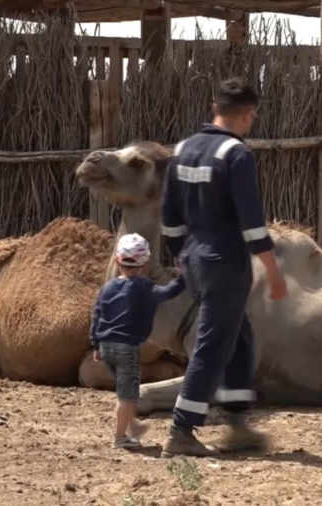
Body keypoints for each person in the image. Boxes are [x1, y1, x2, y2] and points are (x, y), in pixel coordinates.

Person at [159, 77, 287, 458]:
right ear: (248, 115)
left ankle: (237, 422)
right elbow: (252, 225)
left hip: (196, 260)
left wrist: (184, 256)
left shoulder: (182, 150)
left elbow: (169, 220)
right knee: (213, 345)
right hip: (227, 263)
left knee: (239, 336)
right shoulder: (236, 155)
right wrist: (274, 272)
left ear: (215, 108)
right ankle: (181, 430)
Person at [90, 233, 187, 449]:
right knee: (128, 396)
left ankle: (133, 426)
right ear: (144, 266)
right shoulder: (143, 287)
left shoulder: (107, 288)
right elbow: (167, 293)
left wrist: (96, 345)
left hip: (107, 348)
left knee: (125, 392)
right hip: (127, 349)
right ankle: (120, 437)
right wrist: (183, 276)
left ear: (117, 262)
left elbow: (97, 316)